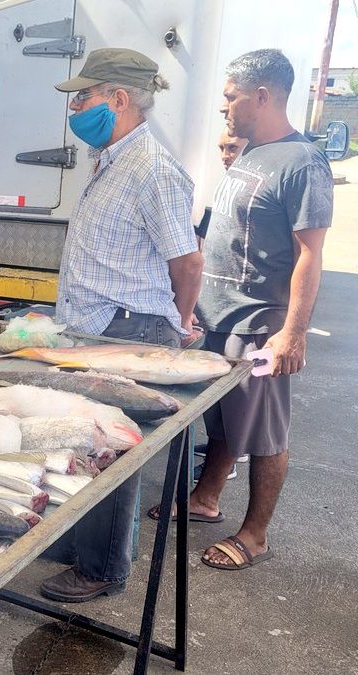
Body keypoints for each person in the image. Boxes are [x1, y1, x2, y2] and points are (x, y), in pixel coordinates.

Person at [39, 48, 203, 603]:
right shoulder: (112, 160)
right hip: (96, 328)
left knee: (113, 452)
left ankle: (103, 568)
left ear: (118, 99)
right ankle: (78, 545)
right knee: (86, 441)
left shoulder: (152, 169)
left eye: (83, 97)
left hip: (128, 330)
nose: (76, 107)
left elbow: (187, 260)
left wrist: (180, 320)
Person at [169, 49, 332, 570]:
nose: (226, 108)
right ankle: (205, 499)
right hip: (218, 318)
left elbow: (311, 253)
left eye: (232, 97)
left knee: (263, 432)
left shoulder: (302, 163)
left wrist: (292, 334)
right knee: (221, 418)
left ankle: (255, 535)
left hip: (260, 325)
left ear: (262, 96)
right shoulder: (251, 153)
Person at [190, 128, 249, 482]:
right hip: (214, 306)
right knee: (215, 396)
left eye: (233, 148)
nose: (225, 155)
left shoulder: (252, 195)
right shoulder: (224, 191)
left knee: (235, 401)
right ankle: (219, 450)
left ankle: (221, 468)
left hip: (239, 311)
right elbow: (201, 247)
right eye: (222, 148)